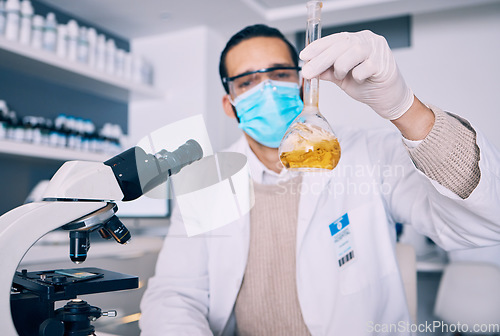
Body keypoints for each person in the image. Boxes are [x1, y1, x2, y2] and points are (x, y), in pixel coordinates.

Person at [139, 24, 500, 335]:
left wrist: (404, 107)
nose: (266, 89)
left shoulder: (364, 154)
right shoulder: (206, 182)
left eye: (280, 74)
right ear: (228, 103)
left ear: (302, 84)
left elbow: (483, 221)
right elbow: (175, 295)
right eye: (247, 81)